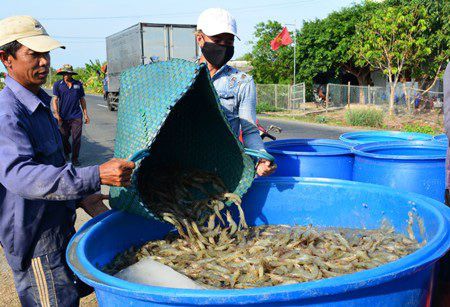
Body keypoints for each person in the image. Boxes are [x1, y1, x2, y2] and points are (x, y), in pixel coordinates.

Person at [0, 15, 135, 306]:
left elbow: (54, 166)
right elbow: (21, 175)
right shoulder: (8, 113)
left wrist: (84, 196)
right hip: (36, 241)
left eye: (45, 53)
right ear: (6, 59)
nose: (43, 62)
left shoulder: (39, 103)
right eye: (33, 54)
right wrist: (95, 174)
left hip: (58, 229)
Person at [195, 8, 276, 177]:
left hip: (224, 166)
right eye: (217, 40)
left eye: (229, 42)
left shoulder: (242, 82)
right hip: (185, 164)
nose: (223, 46)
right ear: (200, 39)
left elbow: (249, 130)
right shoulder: (183, 76)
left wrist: (261, 158)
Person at [52, 64, 89, 166]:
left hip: (76, 116)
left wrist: (85, 114)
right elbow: (55, 100)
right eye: (64, 73)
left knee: (76, 138)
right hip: (63, 117)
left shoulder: (78, 84)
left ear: (71, 73)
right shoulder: (57, 85)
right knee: (63, 137)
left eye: (68, 73)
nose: (66, 75)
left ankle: (75, 158)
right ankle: (67, 152)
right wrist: (57, 114)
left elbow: (82, 100)